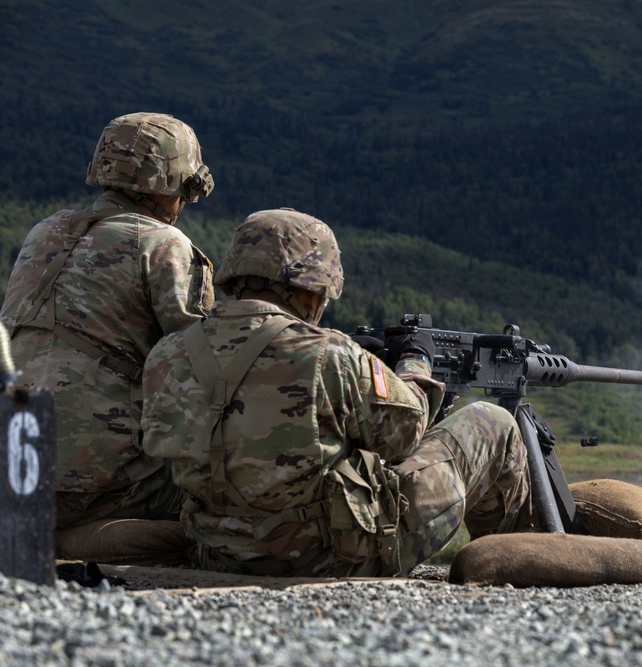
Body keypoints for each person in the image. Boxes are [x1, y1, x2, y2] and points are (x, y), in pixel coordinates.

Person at [141, 208, 535, 577]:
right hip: (330, 558)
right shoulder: (327, 353)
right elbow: (404, 434)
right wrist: (416, 364)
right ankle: (523, 562)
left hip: (216, 553)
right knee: (493, 422)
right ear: (312, 292)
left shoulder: (169, 353)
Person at [0, 112, 216, 531]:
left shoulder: (45, 231)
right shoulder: (164, 244)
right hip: (100, 487)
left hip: (7, 478)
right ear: (173, 182)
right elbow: (207, 367)